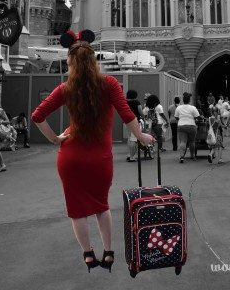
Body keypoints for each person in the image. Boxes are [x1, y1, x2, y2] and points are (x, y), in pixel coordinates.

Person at [31, 30, 154, 272]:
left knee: (77, 211)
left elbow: (37, 116)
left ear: (71, 63)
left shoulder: (65, 88)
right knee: (101, 207)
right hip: (99, 159)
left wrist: (56, 139)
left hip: (71, 158)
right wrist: (141, 136)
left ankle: (88, 255)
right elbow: (127, 115)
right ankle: (108, 252)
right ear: (93, 61)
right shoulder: (108, 84)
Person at [175, 92, 200, 163]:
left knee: (183, 142)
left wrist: (181, 120)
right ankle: (192, 155)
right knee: (192, 141)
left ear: (183, 100)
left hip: (181, 126)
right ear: (189, 100)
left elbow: (176, 117)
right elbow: (197, 117)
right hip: (191, 126)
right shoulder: (193, 108)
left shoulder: (179, 108)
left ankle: (182, 157)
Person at [126, 90, 144, 162]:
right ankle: (132, 157)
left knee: (129, 138)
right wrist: (143, 117)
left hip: (127, 121)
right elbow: (140, 112)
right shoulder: (136, 102)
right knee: (133, 139)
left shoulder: (125, 102)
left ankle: (129, 154)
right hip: (135, 121)